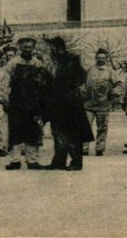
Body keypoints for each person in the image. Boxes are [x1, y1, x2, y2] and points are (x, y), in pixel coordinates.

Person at [3, 38, 51, 170]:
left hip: (33, 103)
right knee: (15, 132)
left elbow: (43, 84)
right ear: (20, 48)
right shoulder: (12, 63)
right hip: (17, 102)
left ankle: (32, 160)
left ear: (33, 48)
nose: (27, 49)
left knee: (33, 131)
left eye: (30, 47)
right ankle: (14, 160)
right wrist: (5, 98)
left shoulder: (37, 63)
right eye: (25, 47)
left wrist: (42, 102)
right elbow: (5, 82)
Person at [46, 38, 92, 171]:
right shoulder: (53, 62)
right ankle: (59, 161)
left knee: (73, 133)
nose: (51, 51)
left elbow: (81, 77)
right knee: (58, 132)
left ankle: (76, 162)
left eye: (51, 48)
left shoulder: (71, 60)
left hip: (70, 102)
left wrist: (71, 89)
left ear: (56, 48)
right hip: (57, 102)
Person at [82, 49, 123, 156]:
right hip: (89, 104)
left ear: (106, 59)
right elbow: (82, 83)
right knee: (85, 126)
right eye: (99, 58)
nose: (100, 60)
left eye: (103, 58)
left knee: (102, 127)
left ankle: (99, 148)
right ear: (96, 58)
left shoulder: (110, 71)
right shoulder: (90, 69)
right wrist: (83, 93)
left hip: (103, 104)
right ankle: (84, 148)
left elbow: (119, 85)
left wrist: (113, 92)